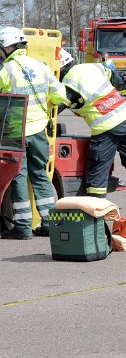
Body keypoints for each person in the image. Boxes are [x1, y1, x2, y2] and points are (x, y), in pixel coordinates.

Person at [58, 49, 126, 216]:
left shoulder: (68, 84)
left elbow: (56, 109)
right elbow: (123, 83)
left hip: (106, 127)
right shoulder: (93, 67)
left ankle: (95, 210)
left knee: (98, 167)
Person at [0, 27, 67, 240]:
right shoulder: (41, 66)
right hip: (39, 130)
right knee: (39, 176)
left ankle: (22, 227)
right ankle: (49, 223)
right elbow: (59, 96)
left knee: (18, 177)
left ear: (8, 47)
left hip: (15, 132)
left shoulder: (6, 70)